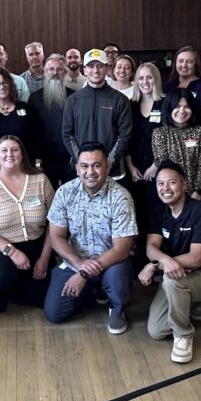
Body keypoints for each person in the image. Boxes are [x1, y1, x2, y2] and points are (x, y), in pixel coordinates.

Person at [44, 143, 137, 333]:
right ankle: (94, 289)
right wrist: (79, 265)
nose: (90, 171)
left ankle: (116, 306)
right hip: (76, 260)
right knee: (54, 314)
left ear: (108, 167)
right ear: (77, 168)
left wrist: (84, 274)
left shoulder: (121, 197)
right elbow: (56, 237)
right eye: (84, 166)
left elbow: (121, 249)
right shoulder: (64, 192)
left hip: (111, 261)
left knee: (118, 286)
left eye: (97, 165)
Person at [138, 161, 201, 363]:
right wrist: (162, 261)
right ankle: (194, 303)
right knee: (156, 331)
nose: (165, 188)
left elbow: (196, 257)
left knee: (172, 281)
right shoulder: (159, 211)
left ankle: (184, 335)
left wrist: (156, 265)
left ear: (184, 184)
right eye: (160, 183)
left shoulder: (200, 211)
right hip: (173, 272)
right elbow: (151, 248)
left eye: (171, 182)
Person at [0, 136, 55, 313]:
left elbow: (55, 222)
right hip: (0, 247)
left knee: (43, 299)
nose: (10, 154)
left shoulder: (40, 179)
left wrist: (45, 258)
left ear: (22, 154)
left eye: (15, 149)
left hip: (35, 243)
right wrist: (12, 252)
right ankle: (3, 287)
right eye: (4, 150)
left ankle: (20, 286)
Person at [61, 49, 133, 180]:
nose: (95, 70)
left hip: (113, 171)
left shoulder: (120, 100)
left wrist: (108, 163)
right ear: (84, 69)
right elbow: (67, 134)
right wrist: (83, 163)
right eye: (91, 66)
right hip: (82, 173)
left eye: (100, 66)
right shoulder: (73, 100)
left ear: (107, 69)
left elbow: (125, 135)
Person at [151, 89, 201, 206]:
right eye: (177, 106)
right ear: (169, 107)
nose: (182, 111)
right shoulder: (160, 133)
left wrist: (198, 191)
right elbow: (164, 164)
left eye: (186, 107)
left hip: (197, 196)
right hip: (170, 196)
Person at [0, 68, 41, 173]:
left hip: (24, 167)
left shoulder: (25, 108)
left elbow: (36, 137)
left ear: (11, 85)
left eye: (5, 82)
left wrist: (38, 164)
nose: (2, 86)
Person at [125, 62, 164, 228]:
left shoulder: (166, 103)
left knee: (158, 209)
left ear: (156, 79)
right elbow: (126, 138)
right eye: (141, 78)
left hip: (160, 166)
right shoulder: (130, 105)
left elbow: (170, 137)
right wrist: (131, 167)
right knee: (137, 209)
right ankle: (140, 248)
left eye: (149, 77)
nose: (145, 82)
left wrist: (156, 165)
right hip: (135, 167)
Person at [28, 54, 73, 186]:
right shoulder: (35, 98)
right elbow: (32, 132)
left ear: (65, 73)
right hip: (45, 157)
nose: (55, 73)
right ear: (45, 72)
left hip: (69, 156)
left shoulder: (74, 96)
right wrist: (37, 160)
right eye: (51, 69)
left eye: (59, 69)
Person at [164, 46, 201, 111]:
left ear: (196, 65)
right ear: (175, 64)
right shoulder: (169, 86)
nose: (184, 65)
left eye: (189, 62)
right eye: (180, 61)